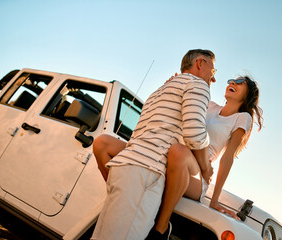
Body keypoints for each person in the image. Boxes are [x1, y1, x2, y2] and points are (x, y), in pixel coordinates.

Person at [96, 74, 263, 240]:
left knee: (179, 151)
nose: (233, 82)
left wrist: (215, 200)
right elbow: (189, 110)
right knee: (102, 143)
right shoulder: (210, 105)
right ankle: (122, 193)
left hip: (197, 172)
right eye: (231, 80)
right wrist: (175, 83)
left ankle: (161, 227)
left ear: (248, 95)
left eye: (241, 82)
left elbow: (227, 158)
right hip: (163, 155)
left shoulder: (242, 118)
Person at [91, 49, 216, 240]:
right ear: (200, 63)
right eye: (213, 71)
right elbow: (194, 133)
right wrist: (206, 168)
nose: (212, 79)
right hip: (145, 173)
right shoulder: (197, 84)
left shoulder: (159, 91)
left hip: (123, 167)